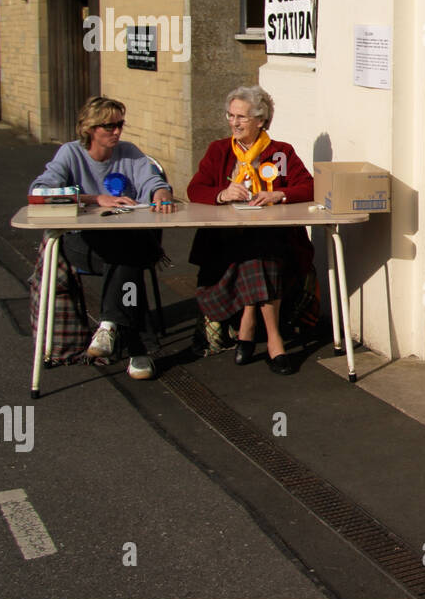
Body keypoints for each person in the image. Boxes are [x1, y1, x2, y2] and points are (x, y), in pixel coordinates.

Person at [28, 96, 177, 379]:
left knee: (126, 251)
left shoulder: (130, 152)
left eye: (120, 125)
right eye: (109, 126)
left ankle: (109, 326)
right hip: (84, 244)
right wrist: (94, 198)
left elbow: (155, 183)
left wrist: (161, 195)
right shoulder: (70, 154)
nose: (117, 132)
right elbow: (40, 191)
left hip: (130, 243)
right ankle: (137, 350)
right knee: (127, 258)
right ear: (90, 128)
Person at [186, 85, 315, 375]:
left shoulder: (281, 152)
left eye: (241, 117)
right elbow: (195, 188)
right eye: (230, 116)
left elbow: (309, 186)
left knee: (262, 246)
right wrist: (222, 193)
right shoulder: (219, 150)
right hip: (225, 240)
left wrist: (278, 194)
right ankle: (273, 340)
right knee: (259, 251)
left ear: (261, 120)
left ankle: (249, 322)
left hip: (274, 238)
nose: (234, 122)